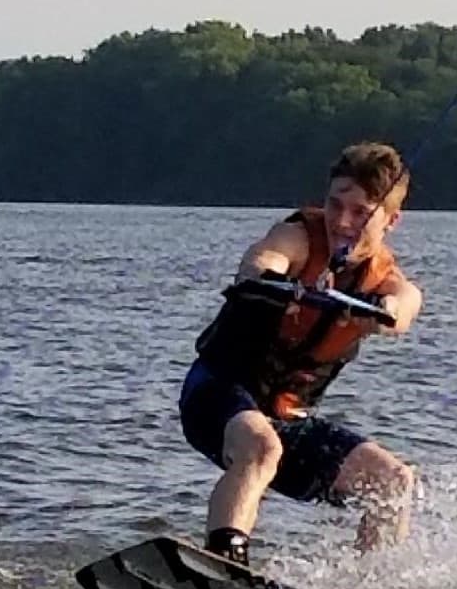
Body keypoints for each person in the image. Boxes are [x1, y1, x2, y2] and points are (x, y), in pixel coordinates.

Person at [179, 141, 423, 565]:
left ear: (391, 220)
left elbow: (405, 305)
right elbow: (263, 258)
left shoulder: (385, 280)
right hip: (216, 395)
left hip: (286, 415)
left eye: (361, 212)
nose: (341, 221)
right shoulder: (296, 238)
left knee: (394, 483)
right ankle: (225, 561)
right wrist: (269, 280)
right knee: (261, 446)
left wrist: (383, 313)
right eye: (334, 204)